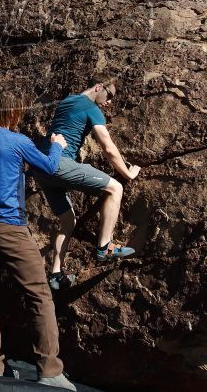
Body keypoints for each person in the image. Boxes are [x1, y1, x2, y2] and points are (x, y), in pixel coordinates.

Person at [0, 91, 76, 391]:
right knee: (39, 295)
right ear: (12, 113)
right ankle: (50, 370)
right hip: (9, 227)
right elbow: (50, 167)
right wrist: (57, 146)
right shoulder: (17, 141)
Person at [33, 81, 141, 291]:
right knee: (116, 188)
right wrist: (128, 173)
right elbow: (108, 148)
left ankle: (56, 275)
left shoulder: (67, 101)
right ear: (99, 87)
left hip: (43, 168)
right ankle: (105, 247)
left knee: (67, 220)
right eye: (109, 95)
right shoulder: (91, 108)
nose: (108, 103)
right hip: (61, 164)